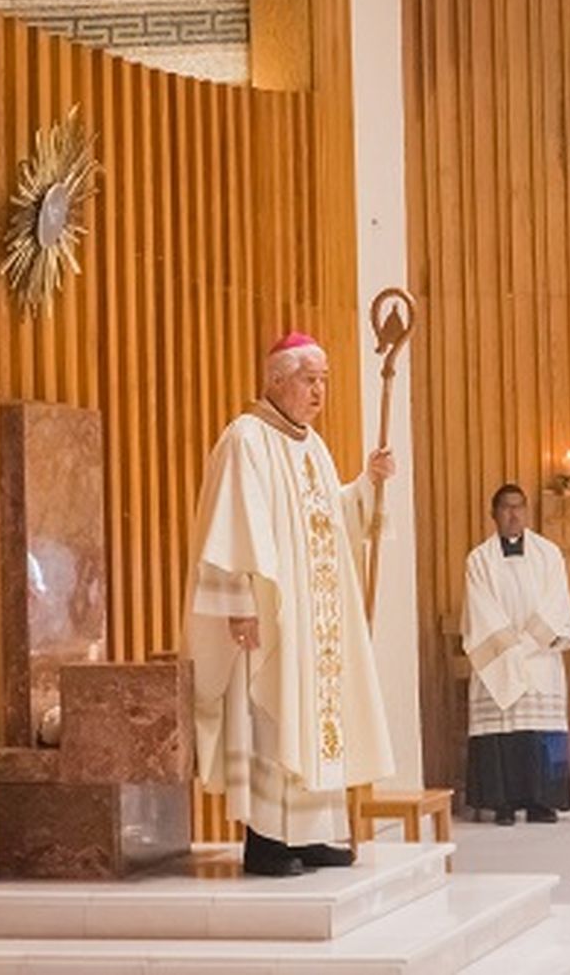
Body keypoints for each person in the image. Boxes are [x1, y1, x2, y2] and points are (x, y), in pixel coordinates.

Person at [184, 332, 396, 876]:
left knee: (315, 721)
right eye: (309, 380)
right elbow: (230, 528)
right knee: (273, 720)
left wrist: (367, 486)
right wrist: (239, 604)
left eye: (324, 380)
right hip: (271, 618)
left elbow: (330, 520)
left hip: (315, 620)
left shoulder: (313, 447)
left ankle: (314, 833)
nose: (319, 391)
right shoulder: (246, 439)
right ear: (276, 380)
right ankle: (268, 842)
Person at [461, 484, 570, 824]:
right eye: (506, 508)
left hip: (539, 657)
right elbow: (480, 610)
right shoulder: (479, 560)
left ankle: (544, 801)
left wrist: (526, 645)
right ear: (493, 514)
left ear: (527, 512)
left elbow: (557, 603)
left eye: (519, 507)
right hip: (497, 660)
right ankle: (503, 803)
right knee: (502, 733)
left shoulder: (549, 554)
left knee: (540, 731)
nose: (513, 515)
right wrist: (510, 650)